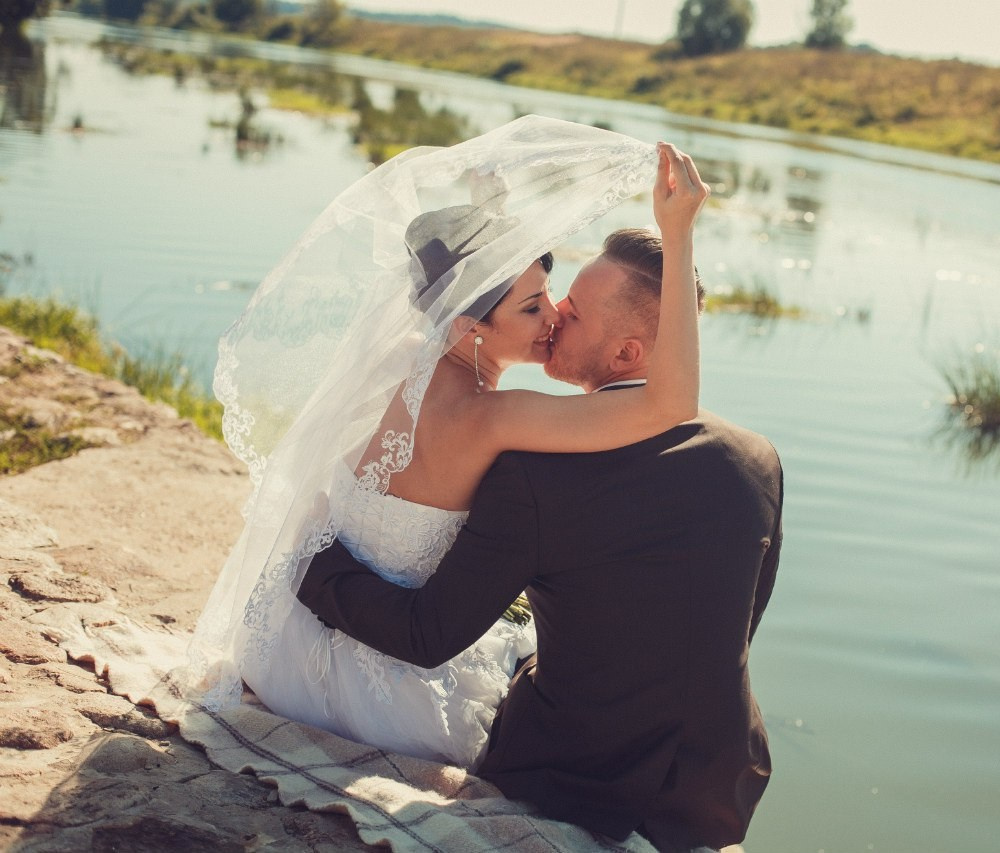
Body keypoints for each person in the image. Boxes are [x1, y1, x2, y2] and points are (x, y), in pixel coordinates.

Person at [184, 117, 712, 771]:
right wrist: (680, 232)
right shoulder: (490, 418)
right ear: (469, 325)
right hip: (359, 683)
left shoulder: (402, 355)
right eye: (533, 307)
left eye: (547, 295)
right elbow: (671, 404)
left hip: (279, 633)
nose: (552, 316)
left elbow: (472, 287)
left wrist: (493, 217)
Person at [296, 226, 784, 849]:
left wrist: (310, 564)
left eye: (573, 312)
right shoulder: (756, 456)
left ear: (628, 354)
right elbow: (737, 624)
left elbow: (428, 635)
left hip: (569, 771)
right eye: (550, 300)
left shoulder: (534, 471)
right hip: (717, 782)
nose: (554, 315)